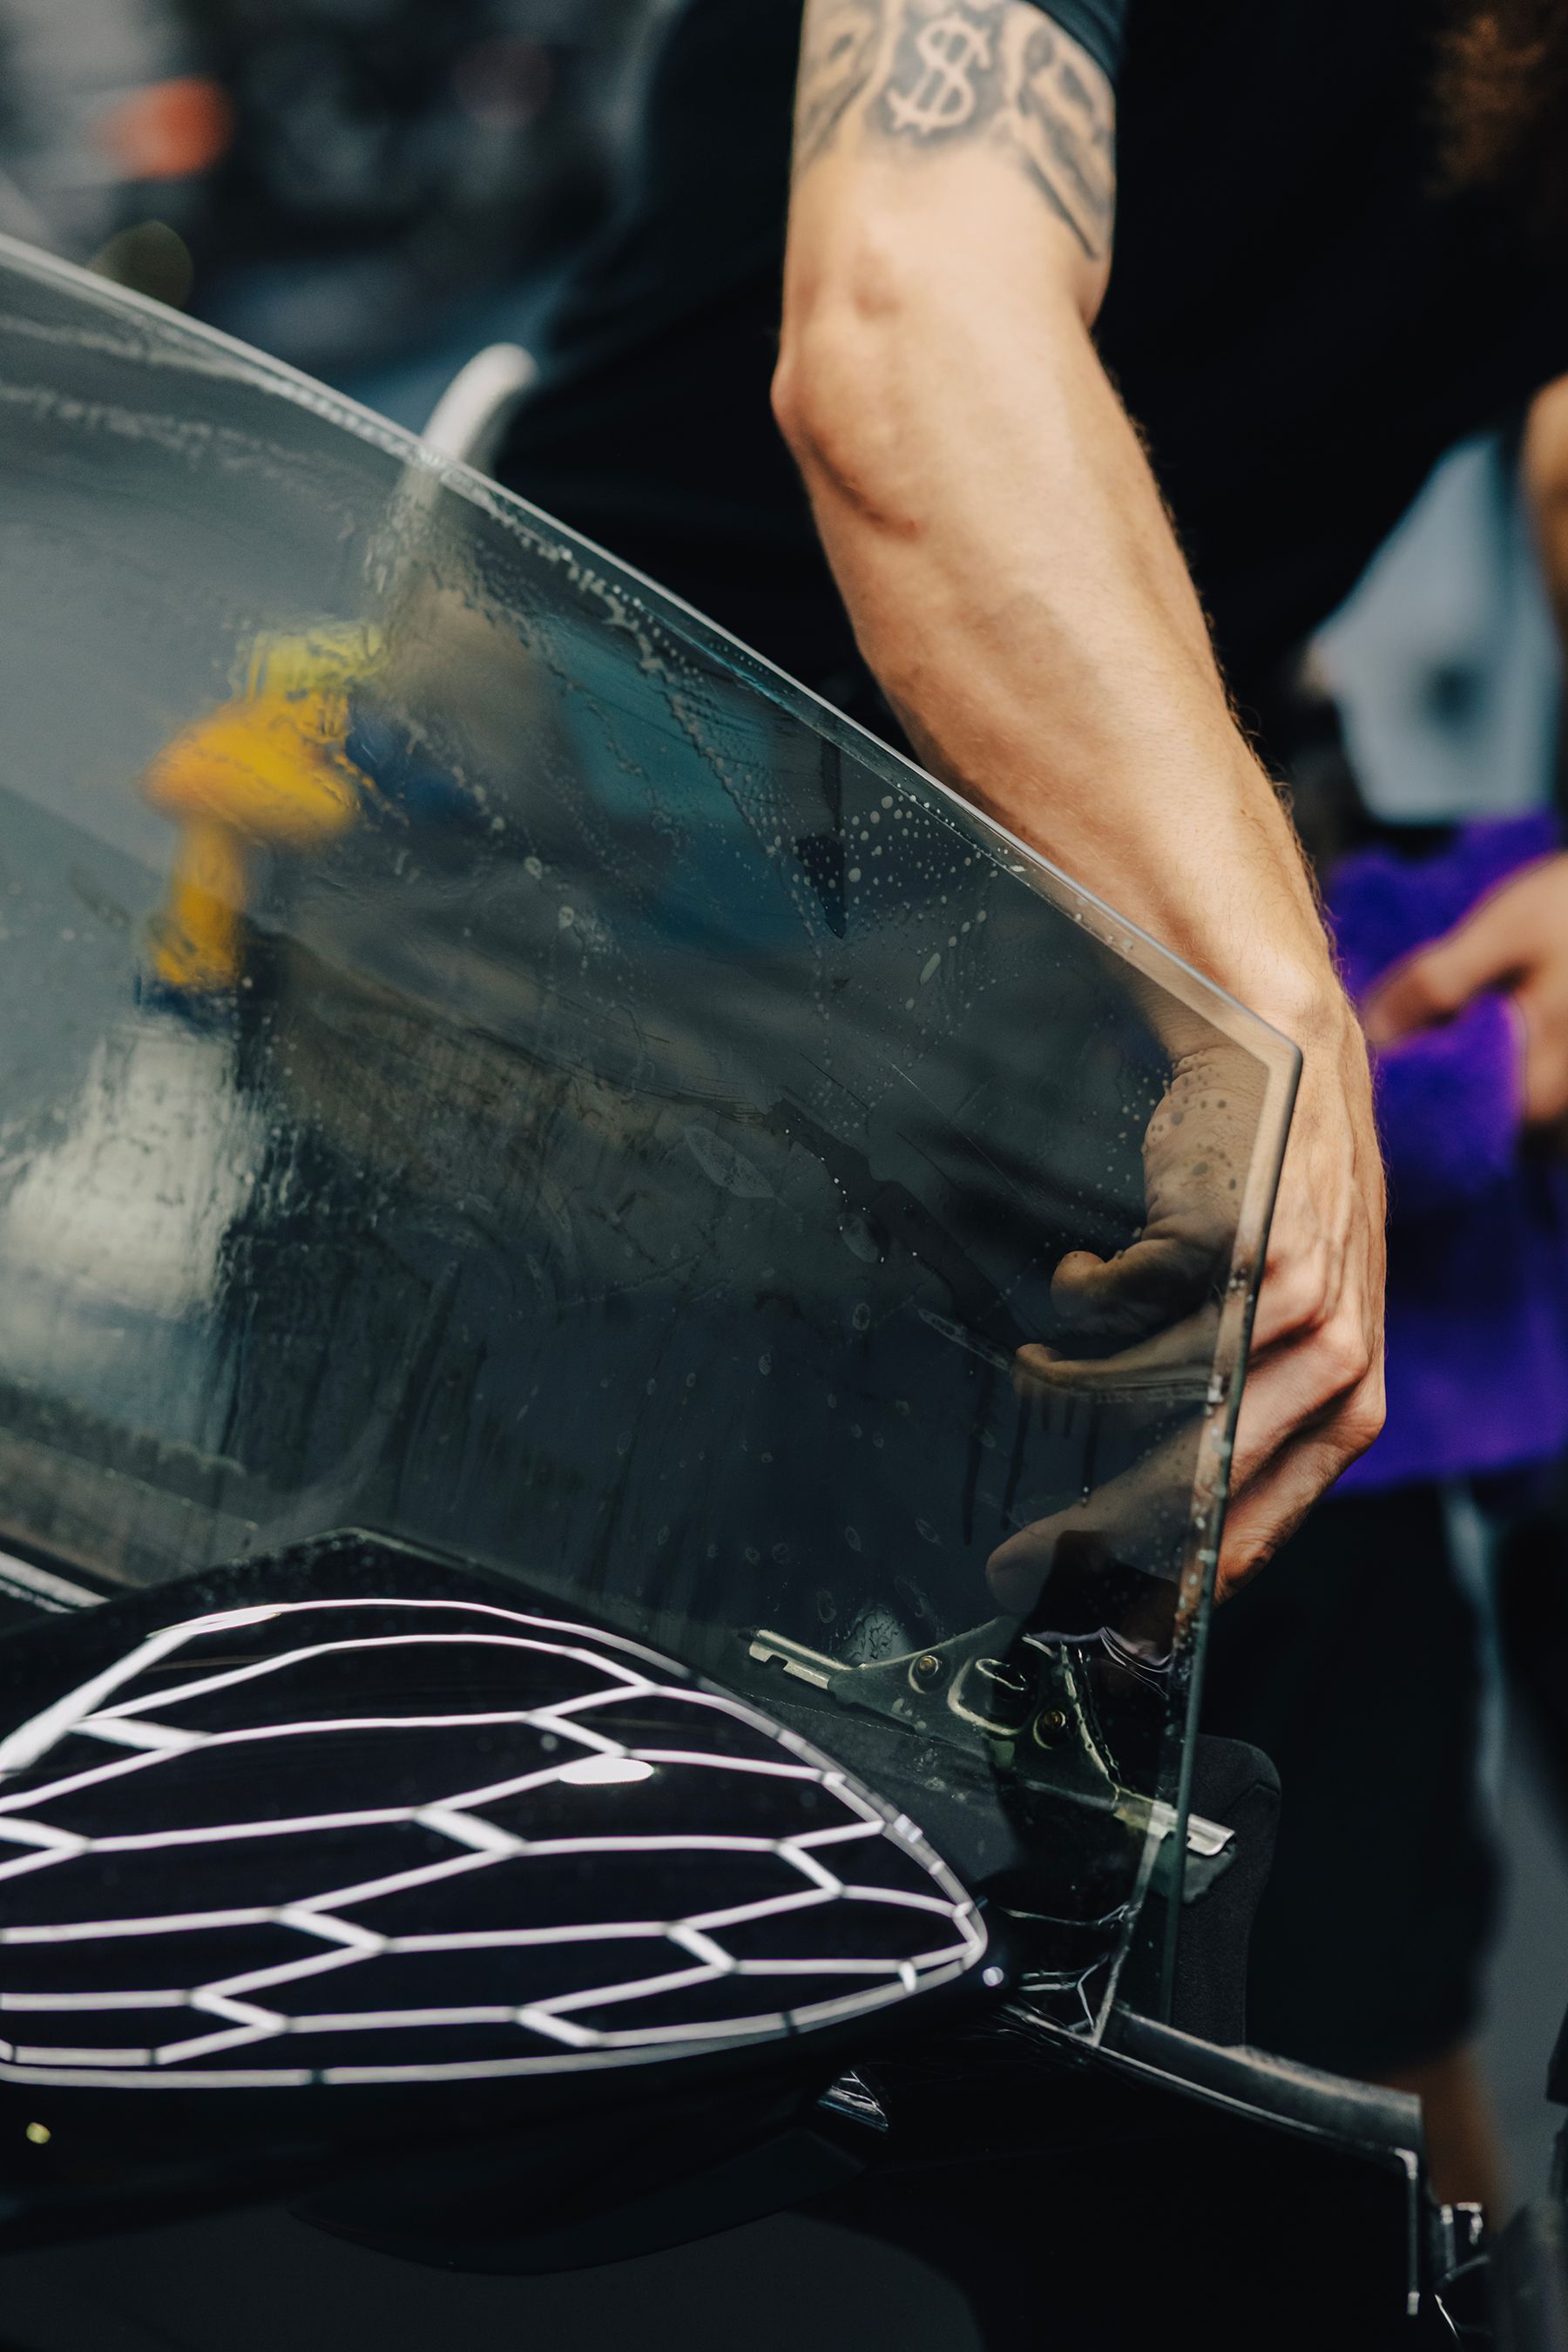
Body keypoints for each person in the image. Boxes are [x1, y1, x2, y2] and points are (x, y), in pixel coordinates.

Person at [494, 0, 1568, 2190]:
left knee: (1315, 2008)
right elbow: (908, 326)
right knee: (579, 2042)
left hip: (1124, 1015)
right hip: (564, 974)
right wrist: (1268, 1010)